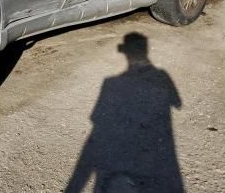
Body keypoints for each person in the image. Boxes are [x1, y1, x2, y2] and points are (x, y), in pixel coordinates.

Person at [64, 33, 183, 192]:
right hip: (154, 154)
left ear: (127, 54)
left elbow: (97, 119)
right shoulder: (161, 75)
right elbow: (177, 103)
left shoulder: (110, 83)